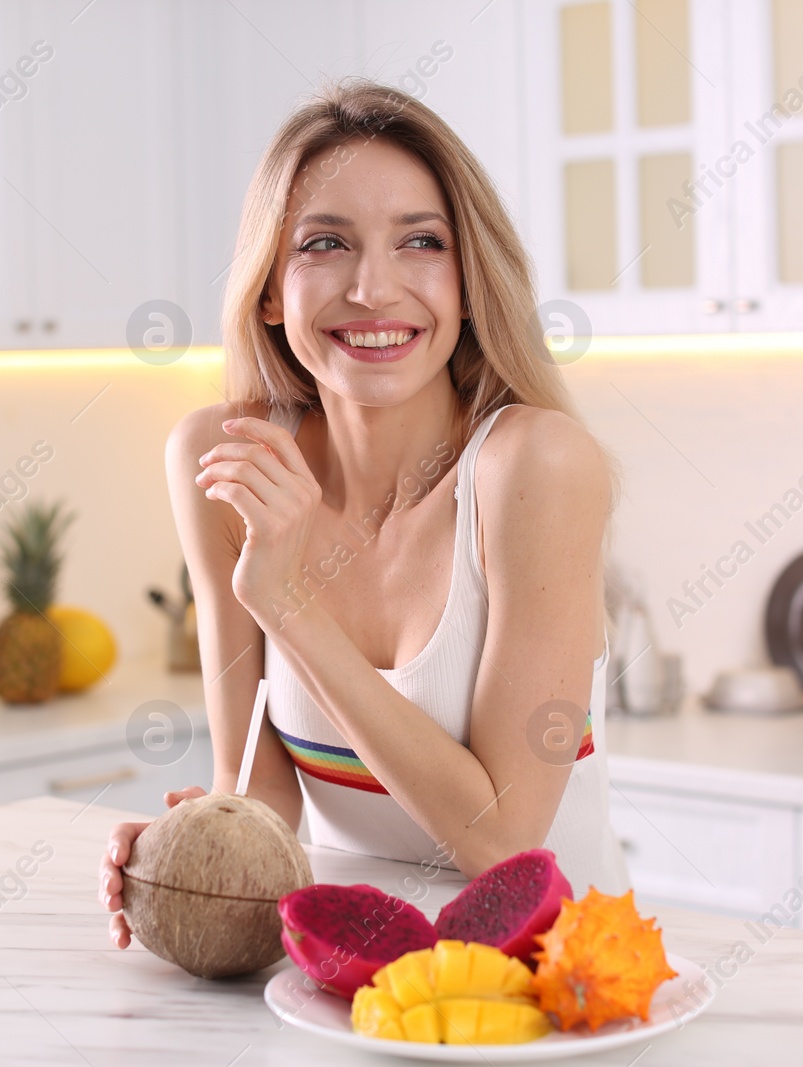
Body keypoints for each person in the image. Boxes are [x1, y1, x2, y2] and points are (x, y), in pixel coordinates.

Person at [102, 78, 628, 951]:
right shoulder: (227, 460)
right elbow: (261, 795)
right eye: (325, 245)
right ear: (271, 290)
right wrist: (183, 854)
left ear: (467, 281)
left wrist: (289, 604)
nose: (374, 289)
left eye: (421, 242)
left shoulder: (534, 465)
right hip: (349, 978)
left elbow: (501, 840)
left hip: (558, 995)